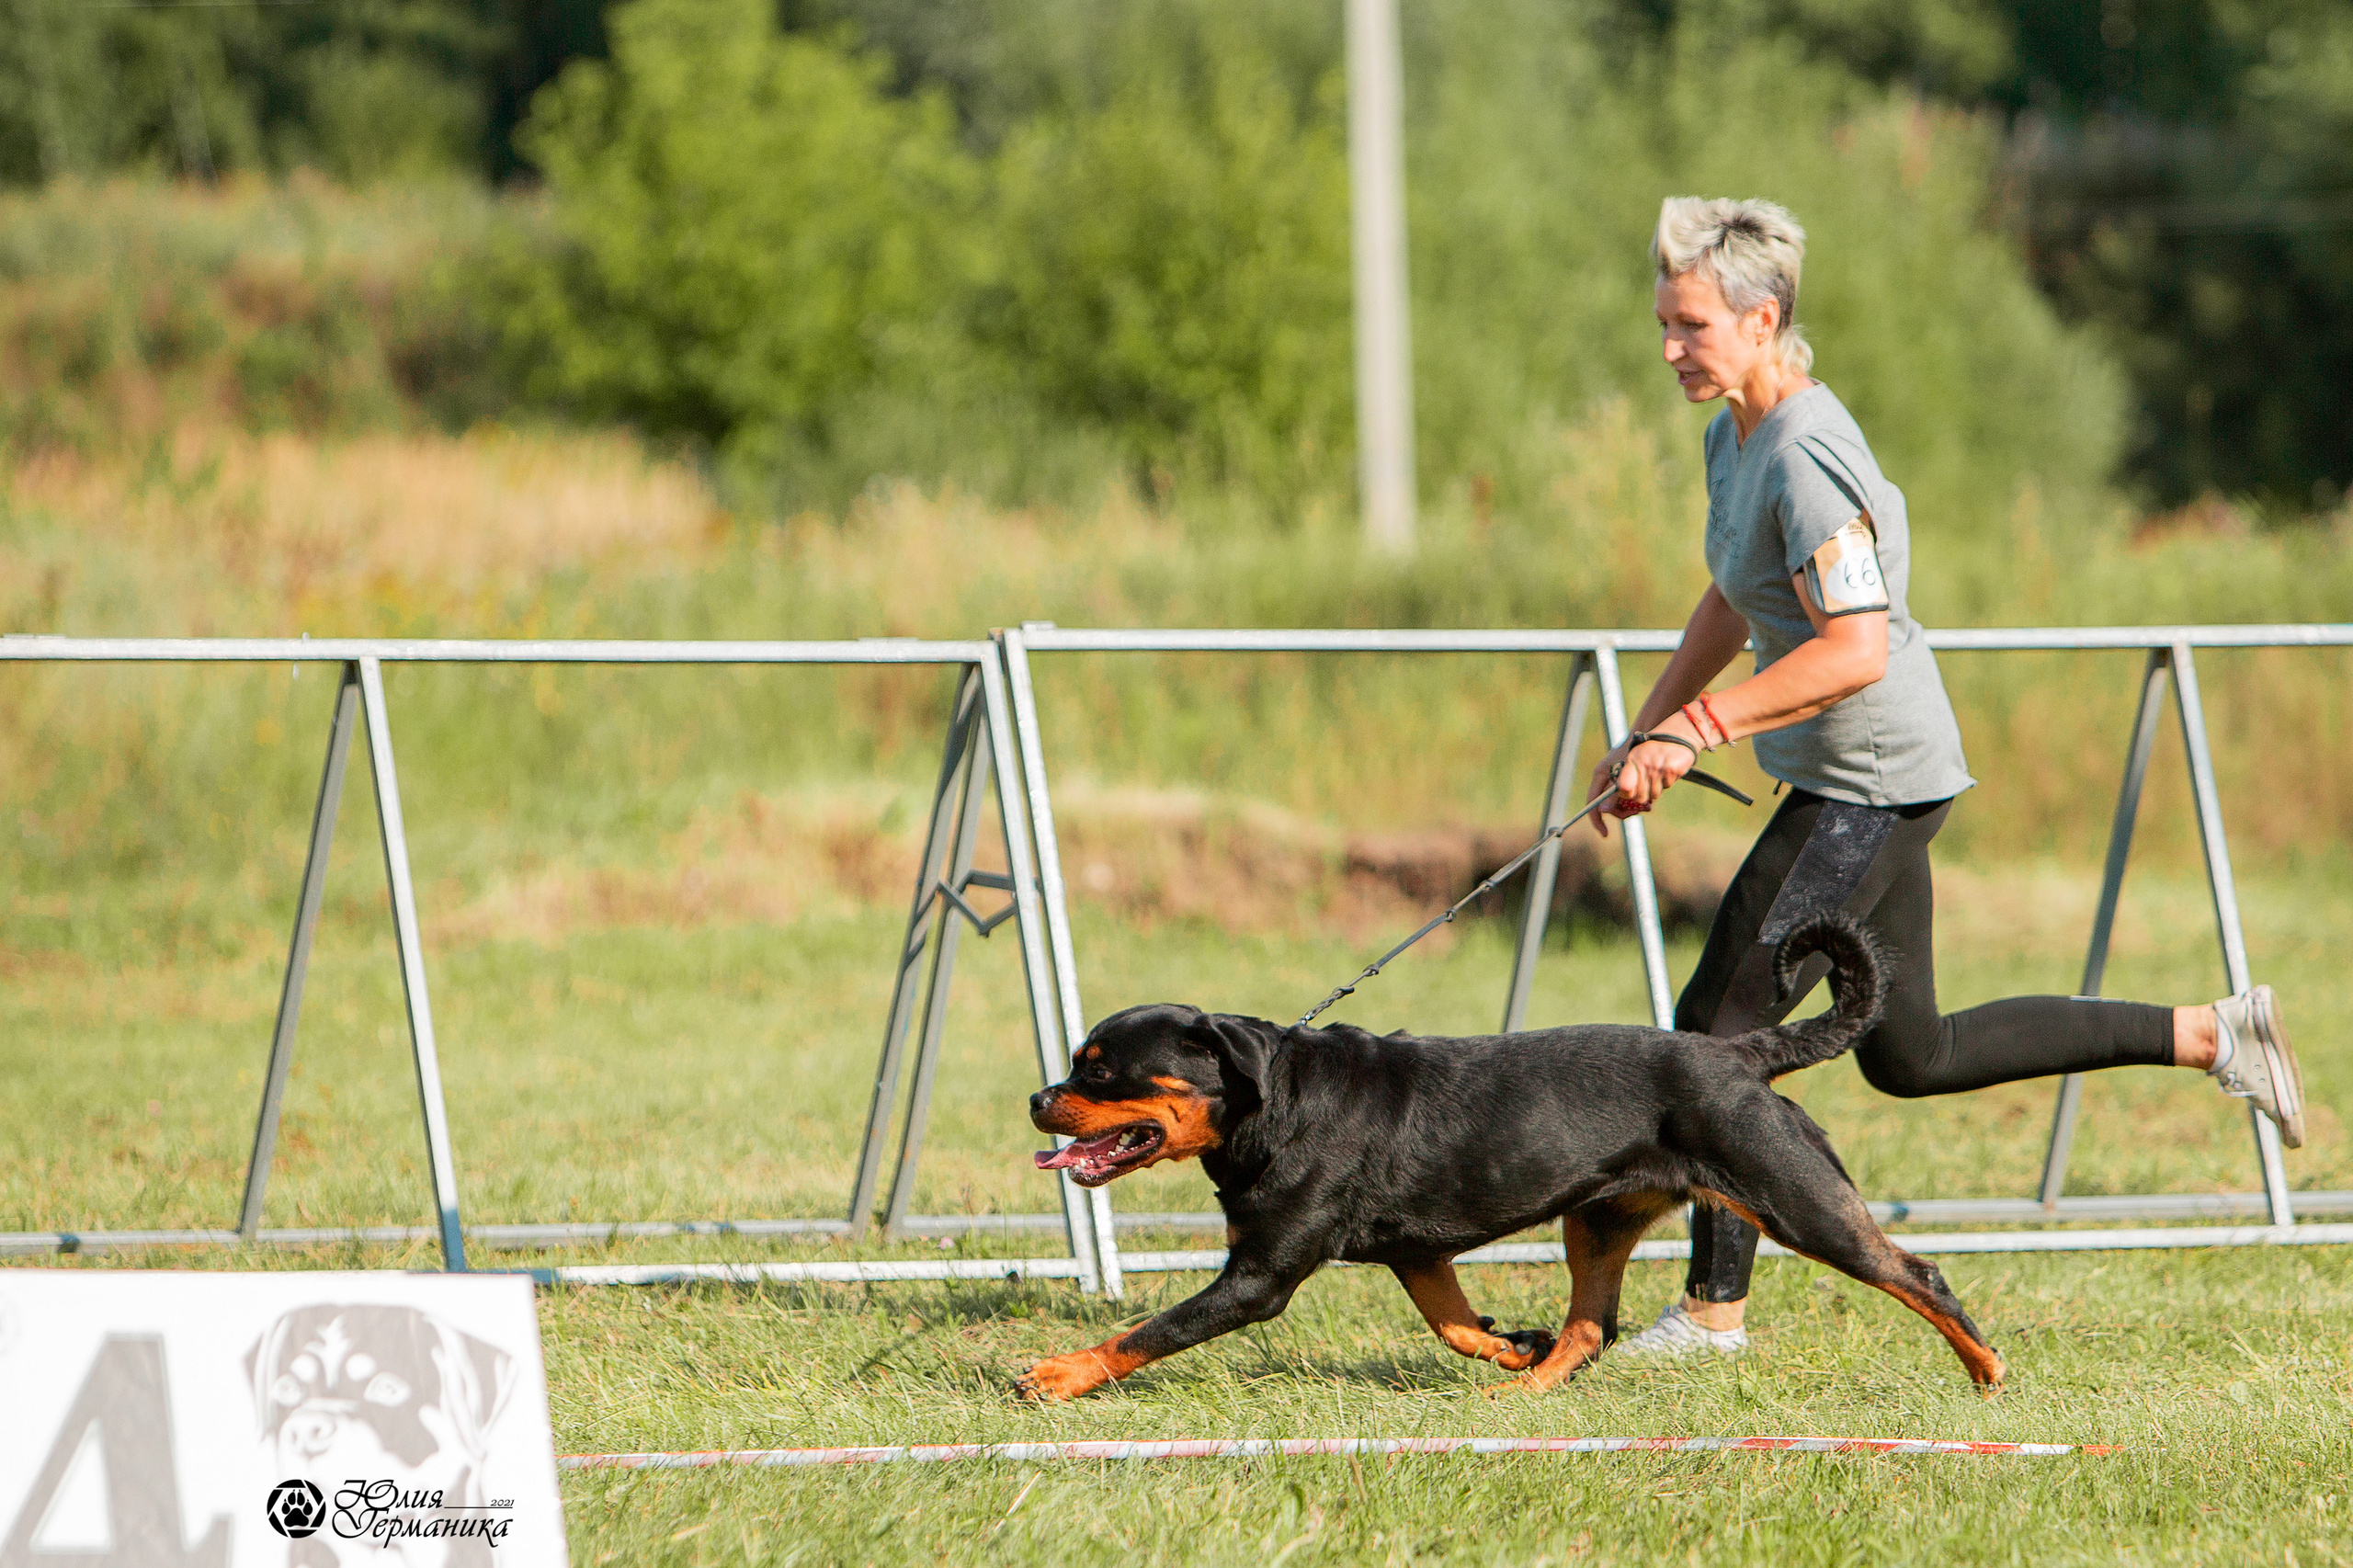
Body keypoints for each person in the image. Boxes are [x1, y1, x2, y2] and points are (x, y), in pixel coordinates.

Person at [1595, 196, 2305, 1358]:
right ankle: (2216, 1034)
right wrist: (1653, 725)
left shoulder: (1810, 454)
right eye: (1664, 323)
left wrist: (1702, 727)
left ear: (1761, 319)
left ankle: (1713, 1315)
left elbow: (1856, 645)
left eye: (1689, 326)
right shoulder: (1733, 431)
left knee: (1717, 1033)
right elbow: (1732, 591)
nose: (1669, 346)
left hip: (1869, 780)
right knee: (1909, 1051)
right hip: (1855, 773)